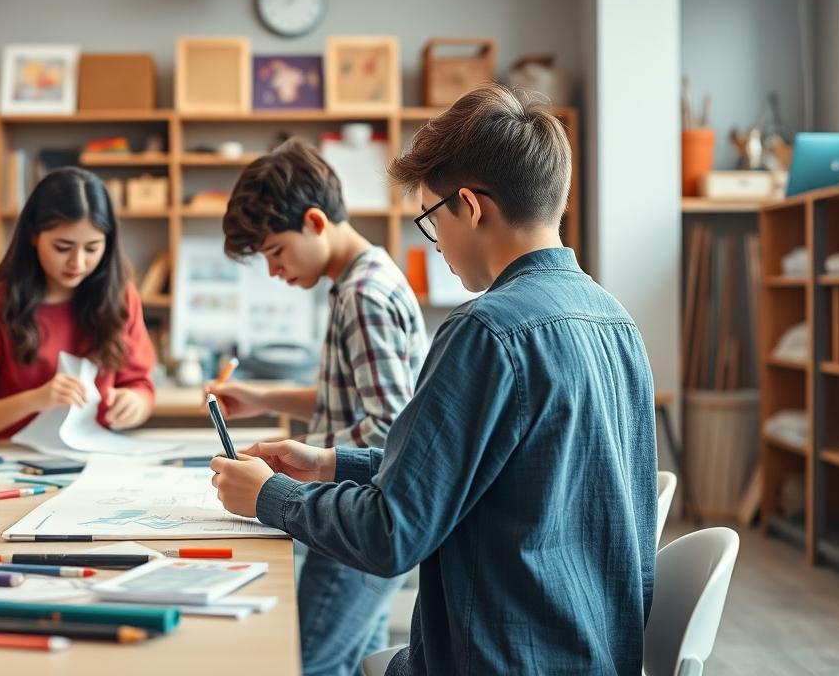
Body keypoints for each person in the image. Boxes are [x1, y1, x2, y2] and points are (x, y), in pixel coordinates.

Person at [210, 85, 658, 675]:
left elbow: (392, 534)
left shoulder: (485, 330)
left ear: (469, 207)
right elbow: (486, 475)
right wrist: (332, 465)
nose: (435, 241)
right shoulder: (618, 324)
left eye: (430, 219)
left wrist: (269, 497)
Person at [212, 138, 427, 676]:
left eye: (276, 252)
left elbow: (389, 429)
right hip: (356, 513)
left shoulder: (363, 296)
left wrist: (301, 463)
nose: (273, 271)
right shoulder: (361, 279)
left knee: (311, 662)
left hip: (354, 521)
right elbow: (348, 398)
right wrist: (261, 396)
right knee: (355, 661)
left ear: (314, 222)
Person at [0, 167, 156, 439]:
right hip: (11, 457)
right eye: (62, 247)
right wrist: (35, 400)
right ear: (34, 235)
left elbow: (141, 386)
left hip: (97, 455)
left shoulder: (120, 297)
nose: (77, 262)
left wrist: (136, 403)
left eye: (92, 248)